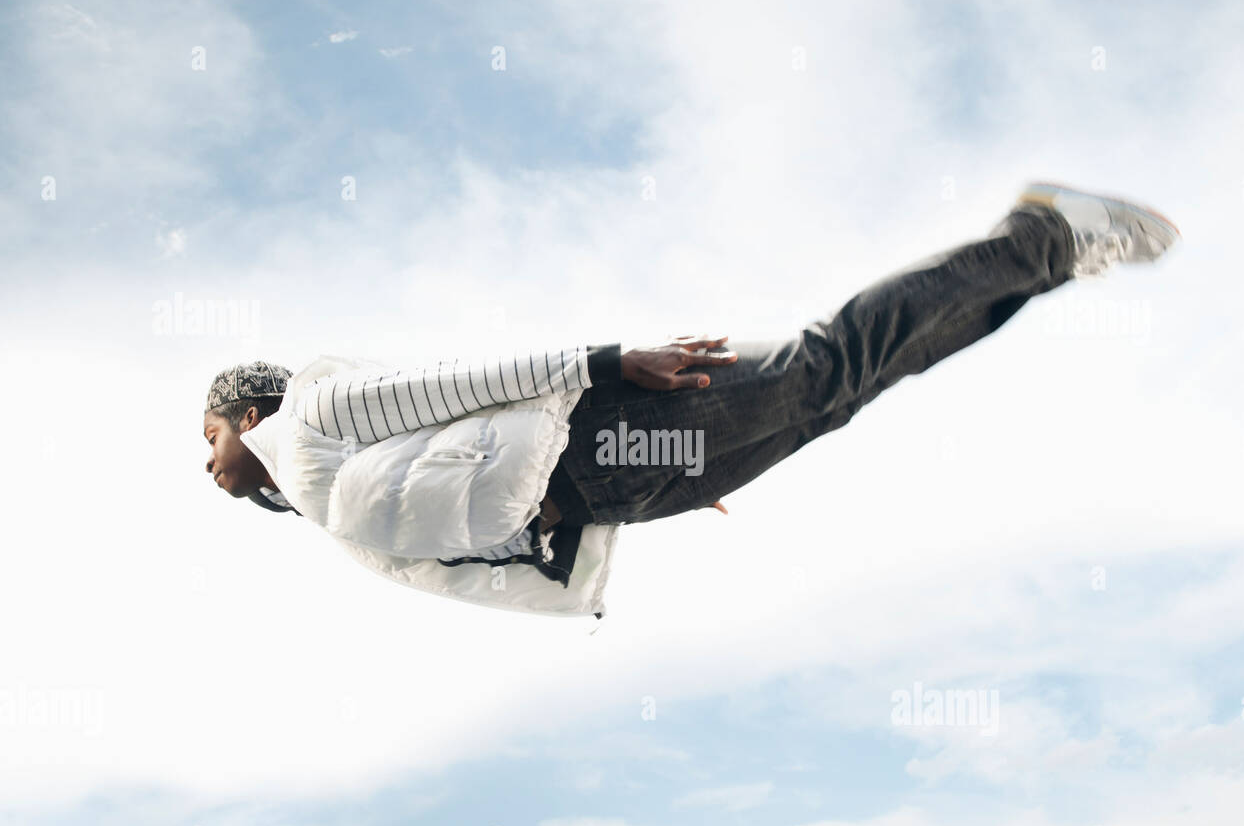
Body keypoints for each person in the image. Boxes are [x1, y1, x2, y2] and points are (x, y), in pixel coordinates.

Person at [203, 182, 1180, 619]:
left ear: (249, 416)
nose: (207, 465)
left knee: (826, 366)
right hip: (616, 488)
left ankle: (1041, 238)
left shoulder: (316, 416)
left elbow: (454, 385)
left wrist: (609, 363)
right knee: (836, 395)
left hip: (597, 432)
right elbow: (482, 545)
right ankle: (1045, 262)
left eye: (206, 438)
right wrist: (658, 474)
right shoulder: (335, 514)